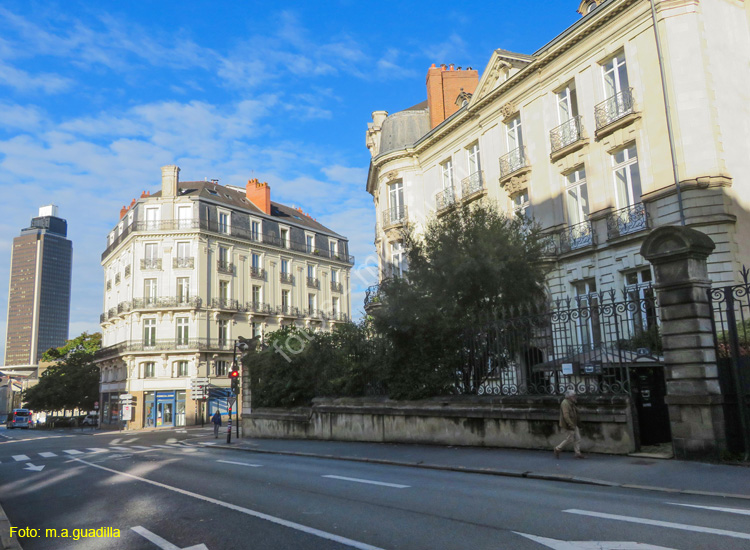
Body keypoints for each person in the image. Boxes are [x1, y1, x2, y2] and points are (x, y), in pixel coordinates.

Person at [554, 389, 585, 459]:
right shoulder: (565, 403)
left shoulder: (571, 402)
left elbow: (576, 412)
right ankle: (557, 448)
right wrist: (571, 424)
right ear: (569, 397)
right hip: (569, 424)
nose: (575, 397)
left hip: (574, 423)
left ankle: (577, 453)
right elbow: (566, 416)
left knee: (578, 438)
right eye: (573, 396)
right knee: (570, 439)